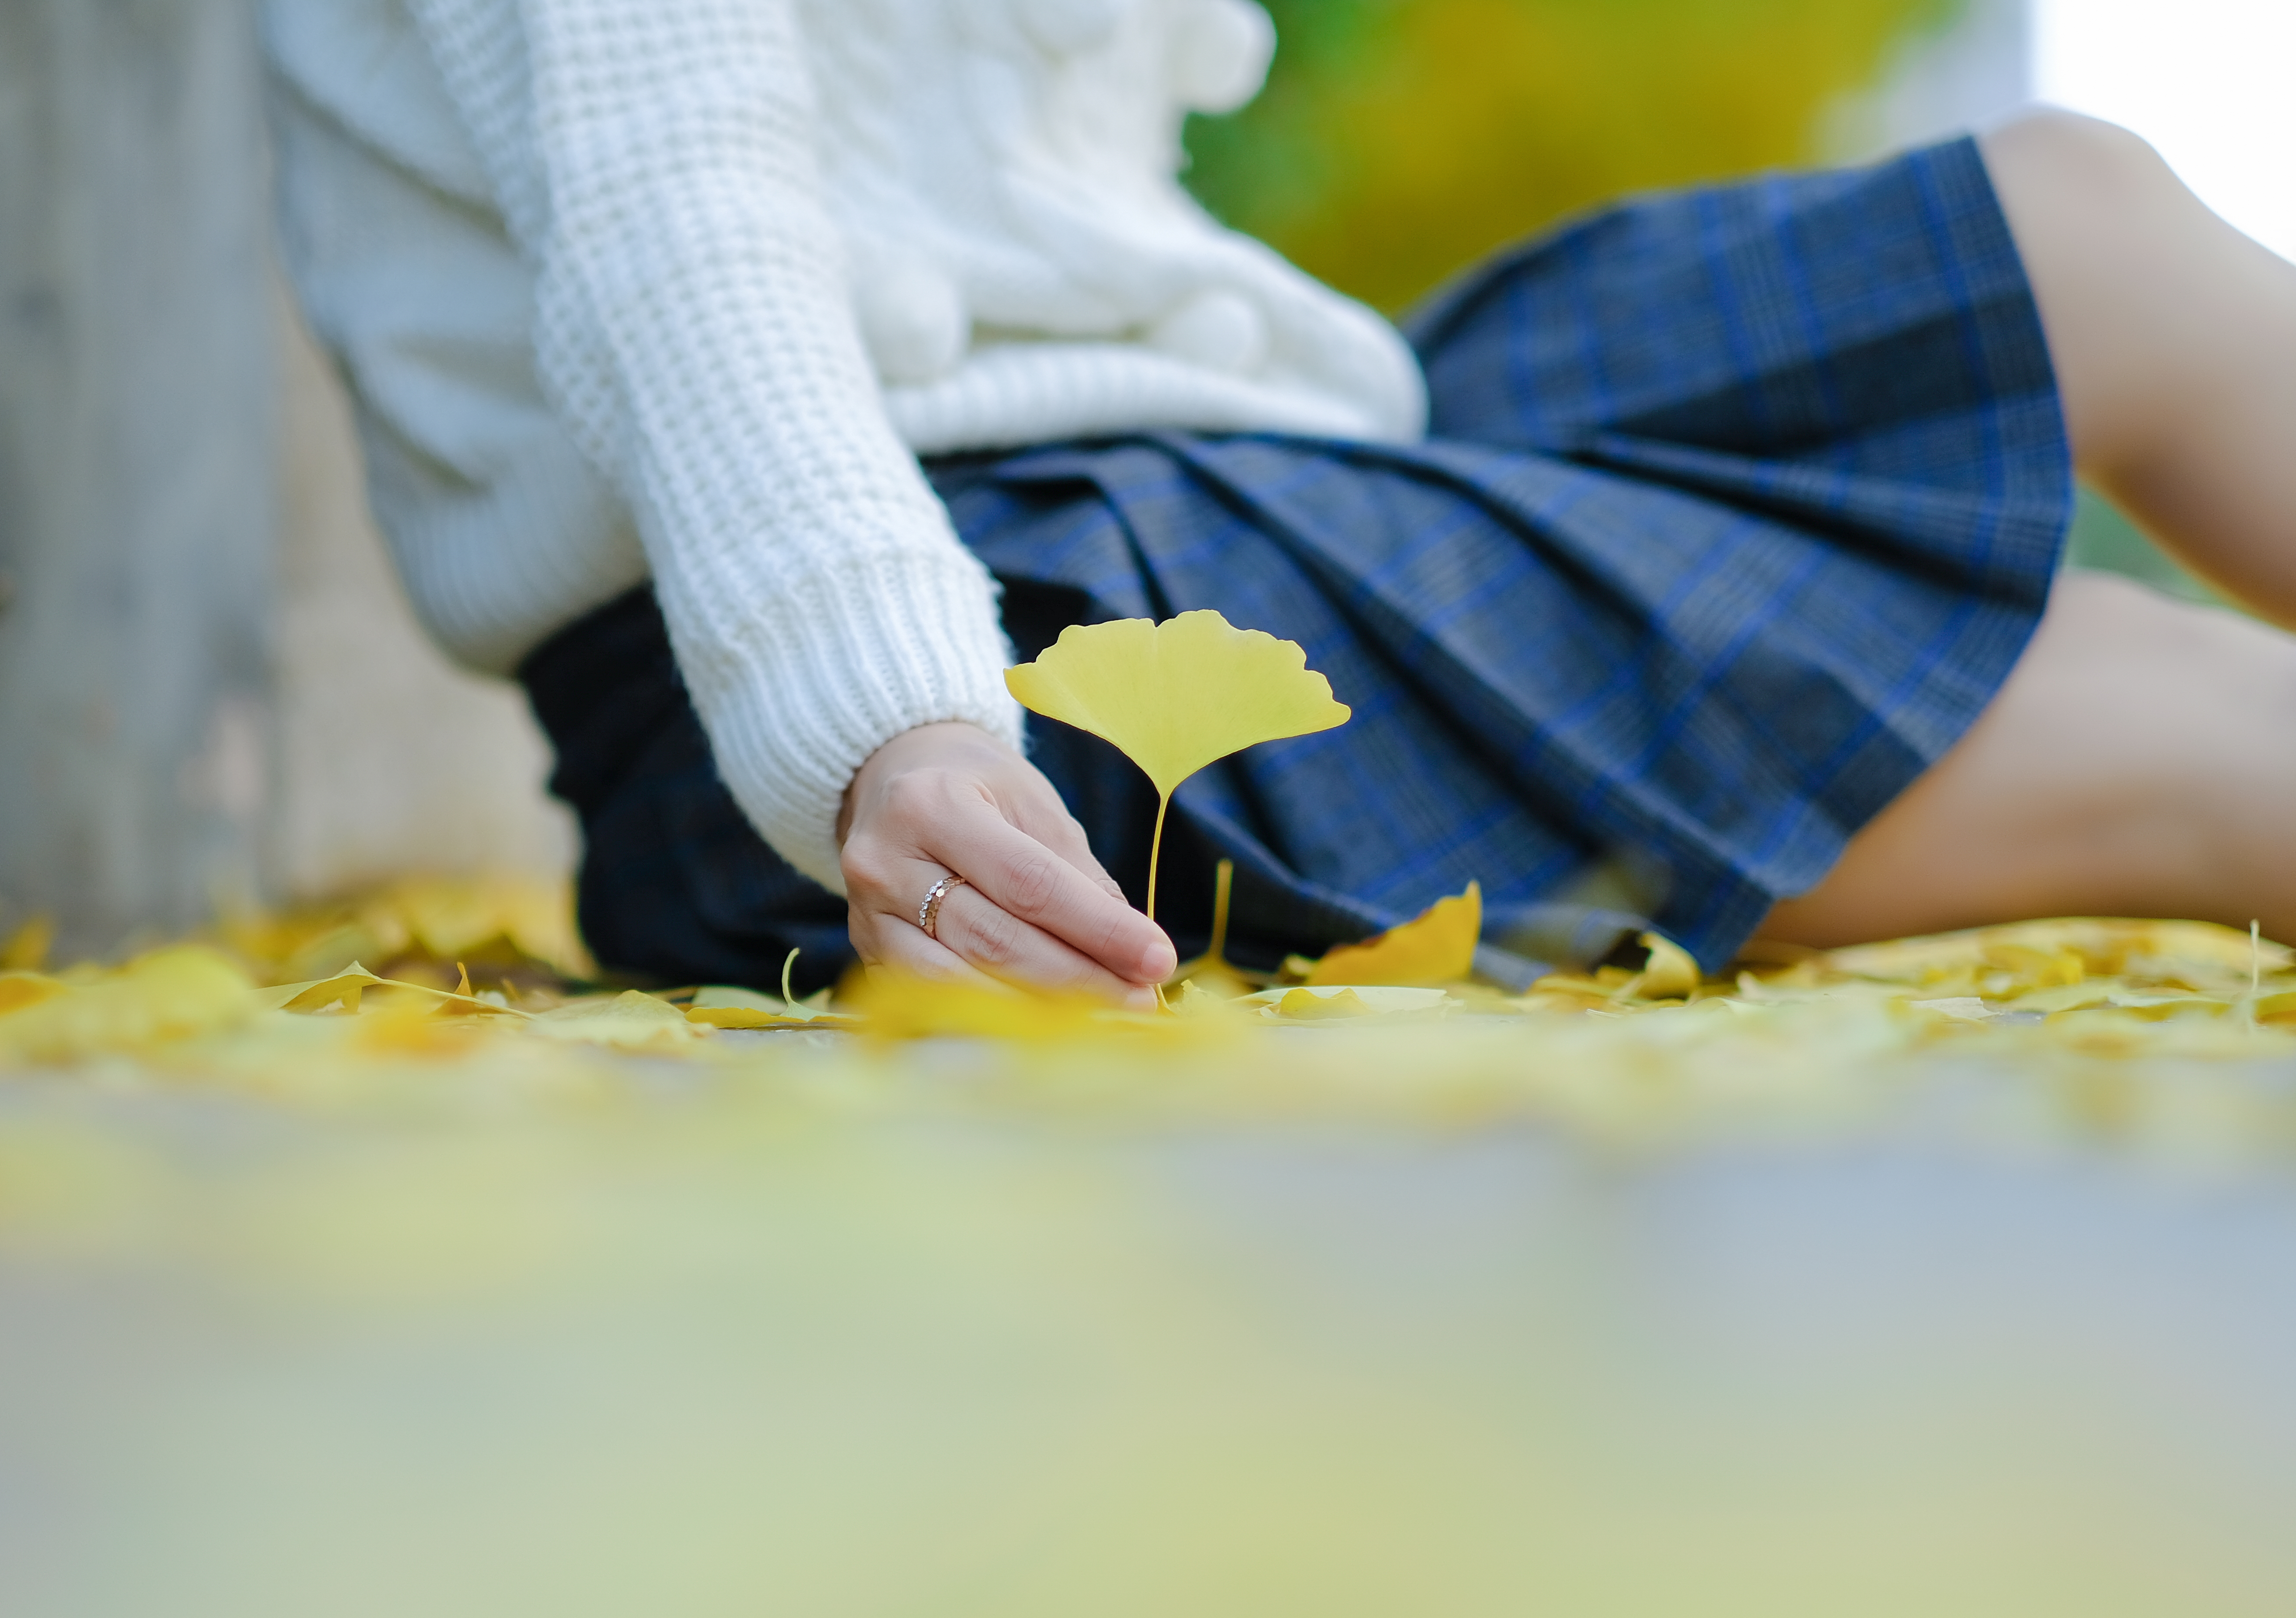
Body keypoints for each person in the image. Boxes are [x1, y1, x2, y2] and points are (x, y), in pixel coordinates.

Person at [262, 0, 2296, 1003]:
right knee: (2199, 730)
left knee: (2074, 224)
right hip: (963, 656)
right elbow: (674, 210)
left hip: (1231, 448)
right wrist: (888, 721)